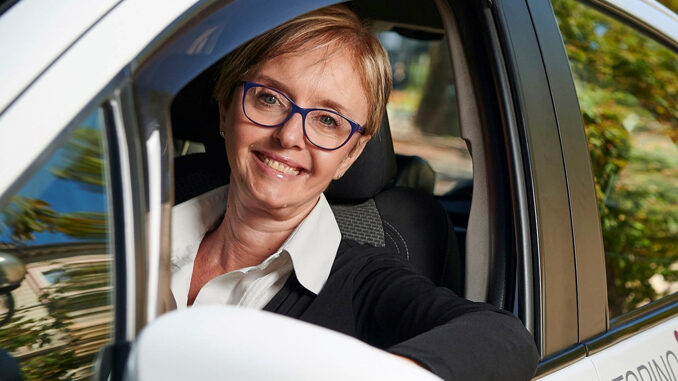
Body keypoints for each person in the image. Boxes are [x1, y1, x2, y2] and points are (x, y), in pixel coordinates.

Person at [170, 4, 538, 380]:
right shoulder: (134, 215)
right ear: (225, 109)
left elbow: (508, 339)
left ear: (351, 154)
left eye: (328, 120)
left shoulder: (364, 281)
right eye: (270, 98)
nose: (289, 136)